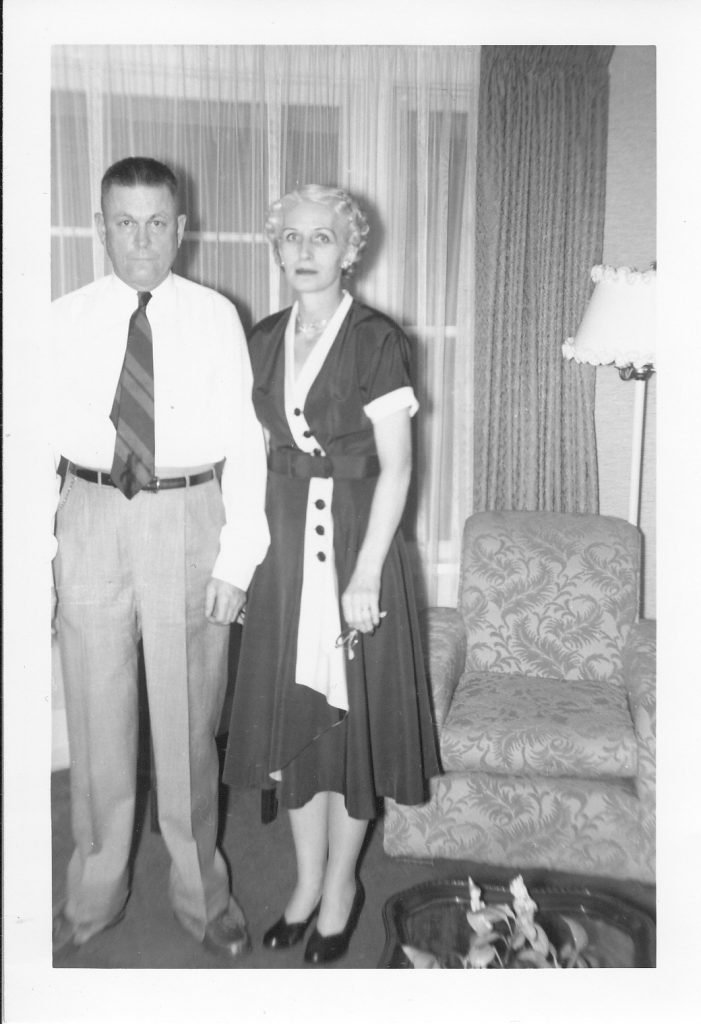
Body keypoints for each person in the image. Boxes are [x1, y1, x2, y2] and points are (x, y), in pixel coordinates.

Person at [50, 156, 269, 962]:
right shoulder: (60, 319)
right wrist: (35, 560)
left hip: (188, 515)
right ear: (99, 227)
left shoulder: (216, 316)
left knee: (187, 728)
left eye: (156, 223)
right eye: (124, 222)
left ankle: (202, 895)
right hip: (89, 514)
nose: (141, 241)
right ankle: (93, 894)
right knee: (96, 720)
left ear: (181, 229)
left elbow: (247, 443)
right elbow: (29, 445)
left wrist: (237, 561)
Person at [222, 185, 440, 965]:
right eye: (292, 237)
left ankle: (342, 886)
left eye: (323, 237)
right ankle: (305, 882)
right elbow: (246, 456)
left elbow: (397, 467)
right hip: (285, 550)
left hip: (356, 546)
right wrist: (241, 559)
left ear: (350, 251)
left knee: (350, 727)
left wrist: (367, 573)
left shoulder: (376, 339)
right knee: (294, 724)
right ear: (276, 249)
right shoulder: (262, 338)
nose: (306, 250)